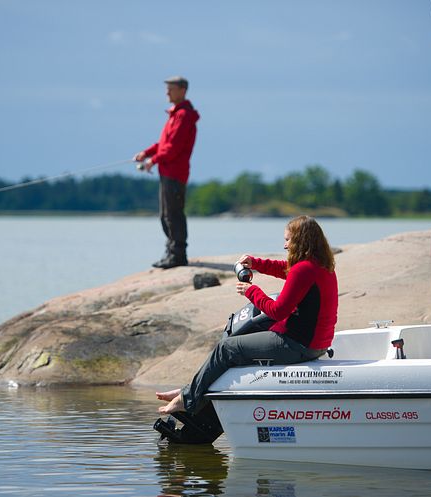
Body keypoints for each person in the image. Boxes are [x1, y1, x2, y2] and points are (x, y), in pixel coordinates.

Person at [156, 215, 338, 415]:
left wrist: (251, 291)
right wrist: (256, 263)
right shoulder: (319, 265)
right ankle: (189, 390)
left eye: (288, 240)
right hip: (315, 344)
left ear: (301, 241)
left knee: (226, 348)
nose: (285, 245)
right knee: (250, 327)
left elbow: (278, 312)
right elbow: (287, 270)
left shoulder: (303, 270)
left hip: (298, 345)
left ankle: (187, 399)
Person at [134, 76, 200, 269]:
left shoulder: (184, 116)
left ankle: (178, 255)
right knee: (166, 215)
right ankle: (171, 252)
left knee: (173, 215)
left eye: (170, 89)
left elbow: (172, 148)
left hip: (175, 173)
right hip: (167, 172)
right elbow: (163, 144)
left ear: (182, 90)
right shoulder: (175, 115)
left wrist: (152, 161)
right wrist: (146, 153)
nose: (166, 93)